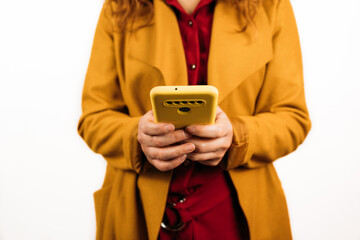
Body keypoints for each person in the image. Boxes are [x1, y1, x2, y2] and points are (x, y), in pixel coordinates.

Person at [78, 0, 311, 238]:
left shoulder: (270, 5)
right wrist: (136, 137)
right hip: (137, 214)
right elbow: (94, 119)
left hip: (234, 218)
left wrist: (236, 136)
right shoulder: (120, 6)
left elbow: (293, 118)